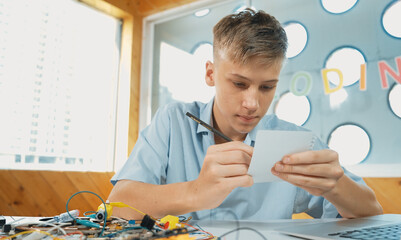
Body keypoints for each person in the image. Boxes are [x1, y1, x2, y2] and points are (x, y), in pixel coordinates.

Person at [108, 9, 383, 220]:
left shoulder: (294, 140)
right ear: (210, 74)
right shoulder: (173, 121)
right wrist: (195, 192)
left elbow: (372, 213)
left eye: (267, 87)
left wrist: (336, 186)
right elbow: (117, 203)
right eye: (239, 84)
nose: (252, 103)